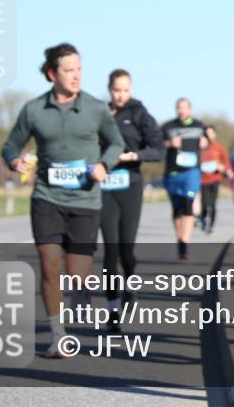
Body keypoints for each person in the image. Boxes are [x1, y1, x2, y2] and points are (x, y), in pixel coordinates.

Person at [1, 43, 125, 358]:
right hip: (46, 197)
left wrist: (103, 165)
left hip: (85, 201)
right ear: (51, 74)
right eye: (69, 70)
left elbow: (115, 142)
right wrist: (16, 161)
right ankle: (58, 336)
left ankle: (81, 292)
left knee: (76, 273)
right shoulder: (33, 110)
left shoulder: (96, 108)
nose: (76, 75)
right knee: (49, 266)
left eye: (79, 69)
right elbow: (11, 146)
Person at [101, 69, 165, 333]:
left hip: (130, 185)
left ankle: (129, 282)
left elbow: (158, 149)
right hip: (104, 187)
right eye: (117, 90)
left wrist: (132, 157)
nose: (121, 95)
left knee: (126, 251)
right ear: (109, 89)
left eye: (125, 90)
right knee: (110, 252)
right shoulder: (100, 113)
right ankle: (113, 311)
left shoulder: (139, 113)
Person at [161, 98, 206, 260]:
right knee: (177, 209)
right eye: (179, 108)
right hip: (173, 172)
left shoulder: (199, 125)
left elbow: (208, 139)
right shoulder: (168, 127)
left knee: (188, 204)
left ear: (190, 110)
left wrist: (205, 142)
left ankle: (185, 242)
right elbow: (157, 145)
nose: (182, 111)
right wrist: (169, 143)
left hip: (192, 171)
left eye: (185, 108)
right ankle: (180, 239)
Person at [197, 125, 232, 234]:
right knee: (204, 204)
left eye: (211, 133)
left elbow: (226, 162)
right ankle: (202, 218)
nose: (209, 136)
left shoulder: (219, 148)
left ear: (215, 134)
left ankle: (211, 225)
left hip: (215, 179)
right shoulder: (199, 148)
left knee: (212, 204)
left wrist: (224, 168)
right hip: (202, 180)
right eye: (207, 133)